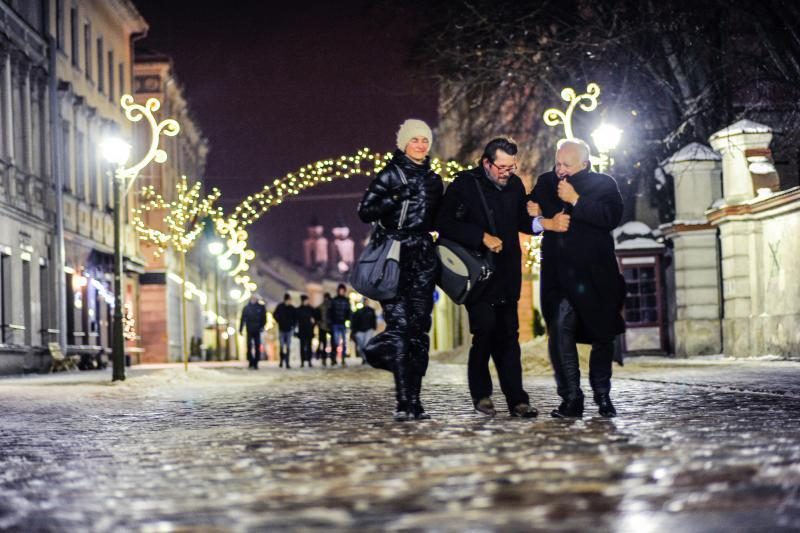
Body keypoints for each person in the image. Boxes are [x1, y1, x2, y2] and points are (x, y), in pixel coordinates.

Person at [435, 137, 538, 419]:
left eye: (511, 166)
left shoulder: (515, 185)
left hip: (507, 273)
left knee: (509, 336)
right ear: (487, 163)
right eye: (502, 167)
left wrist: (540, 222)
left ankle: (517, 400)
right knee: (485, 330)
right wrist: (480, 237)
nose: (507, 172)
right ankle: (481, 394)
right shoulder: (465, 185)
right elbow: (443, 222)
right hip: (478, 275)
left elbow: (521, 221)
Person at [530, 138, 626, 418]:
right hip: (559, 277)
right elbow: (525, 215)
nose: (560, 169)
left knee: (602, 336)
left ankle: (602, 394)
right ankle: (571, 398)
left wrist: (576, 200)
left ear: (584, 163)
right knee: (560, 334)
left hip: (596, 276)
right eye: (558, 163)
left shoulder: (604, 184)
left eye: (566, 165)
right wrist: (538, 219)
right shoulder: (546, 182)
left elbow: (611, 216)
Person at [358, 118, 443, 421]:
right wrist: (394, 198)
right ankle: (402, 398)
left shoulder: (434, 180)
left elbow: (439, 219)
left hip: (423, 257)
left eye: (425, 140)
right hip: (394, 257)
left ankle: (415, 401)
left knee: (419, 332)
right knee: (401, 330)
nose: (420, 145)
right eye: (415, 140)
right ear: (403, 143)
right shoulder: (390, 174)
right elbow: (364, 211)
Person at [239, 295, 267, 369]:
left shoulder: (261, 307)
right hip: (249, 329)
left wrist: (262, 326)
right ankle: (250, 361)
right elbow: (243, 319)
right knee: (249, 345)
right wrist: (241, 329)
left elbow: (264, 317)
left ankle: (256, 362)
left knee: (257, 346)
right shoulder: (247, 308)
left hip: (257, 329)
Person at [327, 284, 352, 366]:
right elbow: (329, 312)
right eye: (340, 290)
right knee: (335, 342)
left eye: (343, 290)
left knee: (344, 342)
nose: (341, 291)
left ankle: (343, 359)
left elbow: (349, 312)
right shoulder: (334, 300)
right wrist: (330, 322)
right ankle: (333, 359)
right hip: (335, 323)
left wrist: (348, 320)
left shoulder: (346, 300)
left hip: (342, 323)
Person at [273, 293, 296, 369]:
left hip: (289, 329)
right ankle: (281, 362)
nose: (290, 301)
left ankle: (287, 362)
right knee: (282, 346)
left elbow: (295, 318)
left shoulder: (292, 308)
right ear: (287, 300)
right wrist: (279, 320)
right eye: (290, 299)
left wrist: (293, 324)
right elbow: (275, 314)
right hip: (281, 329)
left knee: (288, 346)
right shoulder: (280, 307)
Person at [350, 299, 377, 364]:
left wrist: (373, 328)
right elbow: (354, 322)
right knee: (360, 347)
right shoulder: (358, 311)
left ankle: (366, 358)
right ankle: (364, 357)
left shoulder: (371, 310)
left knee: (366, 345)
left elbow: (374, 320)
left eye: (367, 301)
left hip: (369, 330)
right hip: (360, 331)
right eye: (365, 301)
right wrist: (354, 331)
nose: (366, 303)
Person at [295, 294, 316, 368]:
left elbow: (316, 317)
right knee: (302, 347)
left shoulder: (310, 309)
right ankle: (302, 361)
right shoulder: (299, 310)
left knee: (309, 346)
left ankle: (309, 361)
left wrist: (314, 322)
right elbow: (296, 321)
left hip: (309, 331)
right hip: (302, 331)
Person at [315, 293, 332, 365]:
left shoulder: (330, 306)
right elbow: (316, 312)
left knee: (327, 343)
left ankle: (327, 358)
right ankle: (323, 357)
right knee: (322, 343)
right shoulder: (322, 306)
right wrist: (318, 322)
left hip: (328, 327)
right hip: (322, 327)